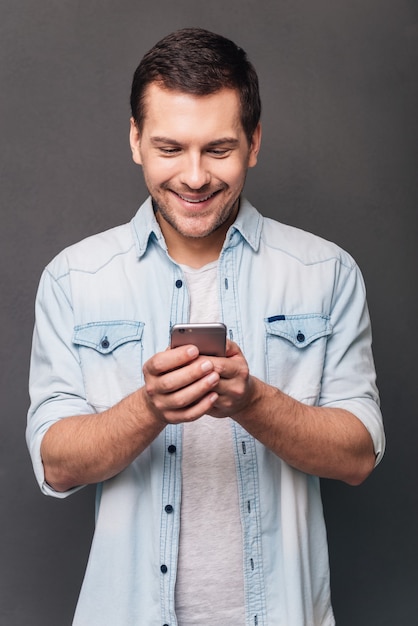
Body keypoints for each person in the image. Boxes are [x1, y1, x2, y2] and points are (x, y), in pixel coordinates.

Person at [26, 27, 385, 626]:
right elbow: (55, 463)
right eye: (170, 148)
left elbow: (359, 455)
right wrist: (148, 407)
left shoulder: (327, 273)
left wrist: (254, 402)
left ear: (254, 142)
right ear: (136, 139)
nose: (194, 177)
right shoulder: (73, 278)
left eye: (218, 149)